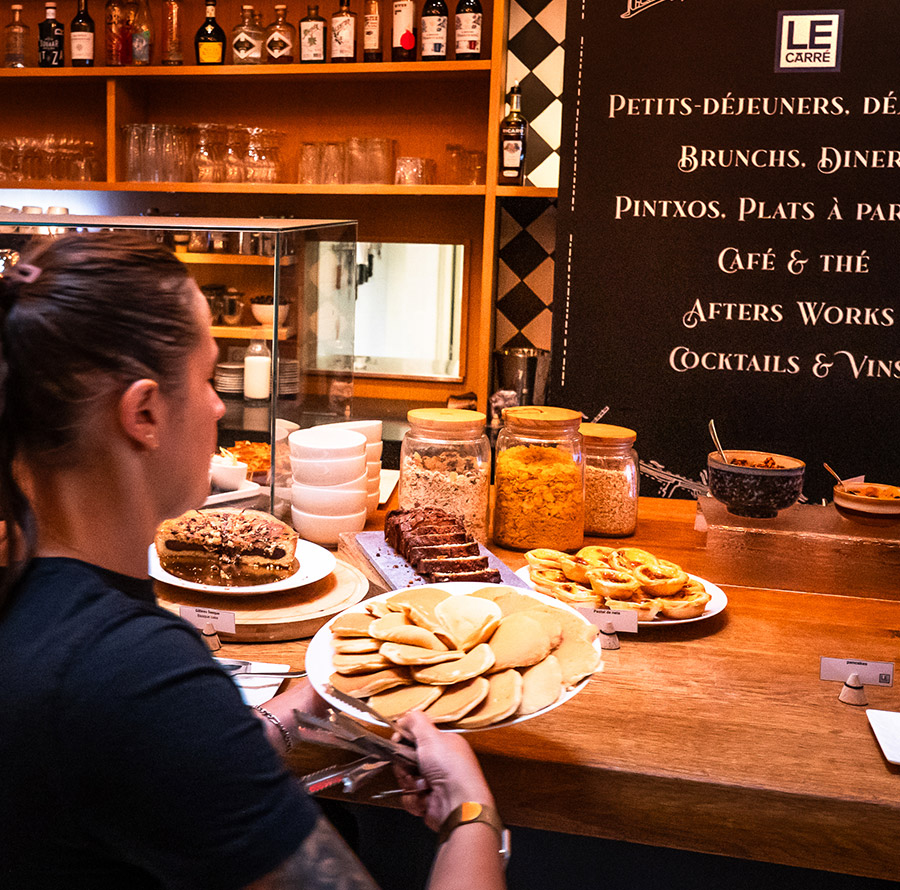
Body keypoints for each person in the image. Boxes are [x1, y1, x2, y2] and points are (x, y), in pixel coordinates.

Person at [0, 231, 507, 890]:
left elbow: (141, 759)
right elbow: (143, 715)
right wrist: (472, 813)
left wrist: (300, 704)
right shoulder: (135, 671)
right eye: (208, 377)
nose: (217, 404)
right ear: (144, 412)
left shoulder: (32, 597)